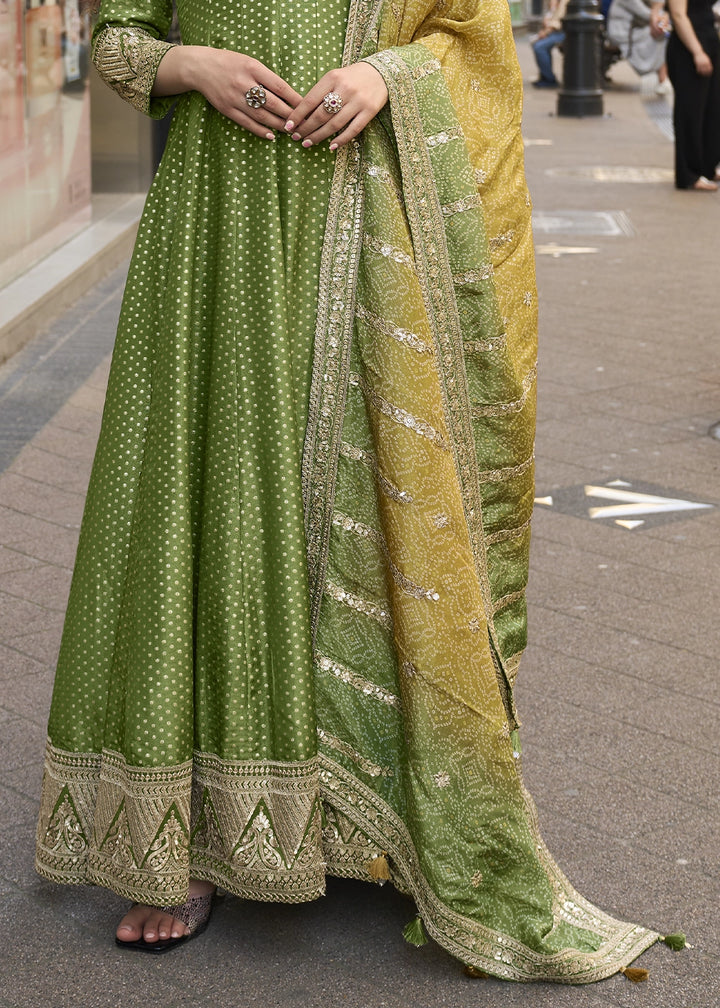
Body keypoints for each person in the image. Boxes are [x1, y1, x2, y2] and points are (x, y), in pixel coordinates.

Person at [35, 0, 671, 981]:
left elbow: (475, 37)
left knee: (357, 518)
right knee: (204, 500)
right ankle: (190, 839)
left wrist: (390, 78)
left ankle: (347, 811)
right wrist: (188, 63)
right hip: (215, 219)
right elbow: (117, 37)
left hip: (358, 219)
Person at [666, 0, 720, 188]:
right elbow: (678, 15)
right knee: (690, 111)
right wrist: (697, 51)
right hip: (688, 46)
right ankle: (688, 174)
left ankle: (707, 167)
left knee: (712, 108)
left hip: (710, 40)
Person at [606, 0, 671, 86]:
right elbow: (646, 14)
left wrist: (663, 15)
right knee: (660, 33)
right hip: (621, 32)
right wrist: (664, 15)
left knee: (662, 31)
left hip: (632, 29)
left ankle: (662, 80)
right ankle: (662, 79)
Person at [532, 0, 569, 87]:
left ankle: (549, 79)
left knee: (539, 47)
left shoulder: (565, 2)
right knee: (537, 44)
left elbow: (559, 21)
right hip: (555, 31)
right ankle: (545, 76)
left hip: (563, 32)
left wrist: (546, 32)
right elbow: (549, 17)